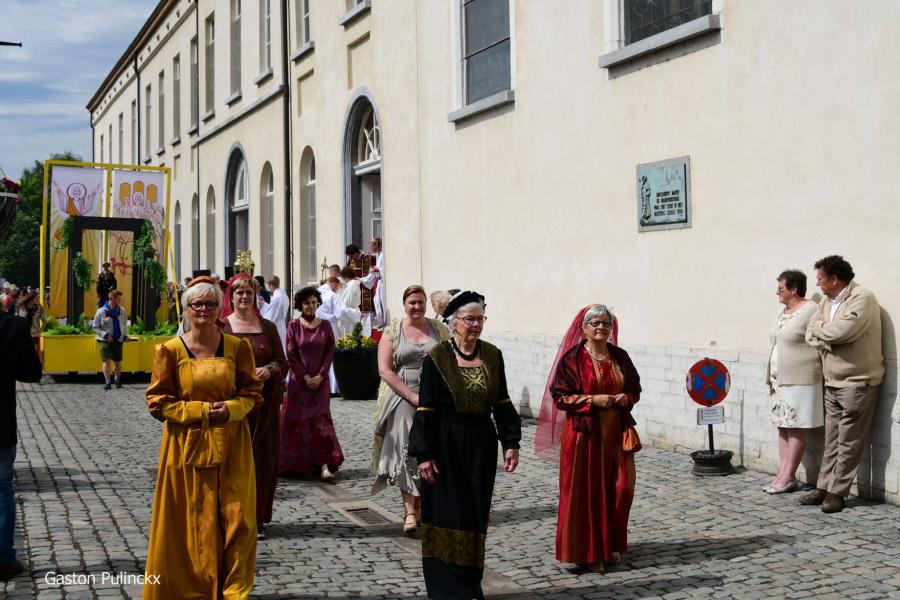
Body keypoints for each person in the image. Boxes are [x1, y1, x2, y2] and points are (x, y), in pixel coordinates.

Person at [143, 277, 263, 599]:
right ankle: (194, 587)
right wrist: (201, 412)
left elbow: (252, 393)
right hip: (185, 446)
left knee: (240, 519)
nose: (205, 311)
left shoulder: (237, 348)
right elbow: (157, 402)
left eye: (211, 304)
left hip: (233, 443)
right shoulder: (169, 351)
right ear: (186, 309)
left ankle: (235, 589)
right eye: (198, 305)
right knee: (196, 519)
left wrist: (232, 409)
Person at [409, 291, 521, 599]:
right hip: (445, 445)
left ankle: (470, 584)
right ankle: (447, 588)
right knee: (448, 514)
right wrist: (425, 454)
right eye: (468, 319)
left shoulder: (492, 355)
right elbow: (426, 408)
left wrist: (510, 441)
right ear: (453, 322)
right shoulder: (437, 357)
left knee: (474, 515)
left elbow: (502, 400)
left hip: (481, 446)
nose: (475, 325)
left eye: (479, 319)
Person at [536, 304, 641, 573]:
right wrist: (593, 400)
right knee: (588, 493)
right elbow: (560, 396)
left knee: (620, 489)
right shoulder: (572, 359)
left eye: (606, 323)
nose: (601, 327)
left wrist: (625, 398)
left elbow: (634, 388)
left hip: (616, 433)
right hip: (584, 436)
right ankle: (589, 552)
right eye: (595, 323)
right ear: (584, 328)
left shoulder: (620, 356)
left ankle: (611, 544)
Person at [801, 255, 884, 513]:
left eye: (820, 279)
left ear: (834, 279)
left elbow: (843, 332)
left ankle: (838, 493)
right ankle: (824, 486)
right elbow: (809, 332)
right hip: (832, 379)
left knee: (849, 440)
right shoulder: (826, 302)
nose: (818, 285)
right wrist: (825, 333)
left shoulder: (862, 298)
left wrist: (823, 332)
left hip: (857, 380)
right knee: (832, 438)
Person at [371, 285, 449, 535]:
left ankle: (426, 505)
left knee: (435, 448)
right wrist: (412, 396)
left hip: (436, 395)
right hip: (402, 393)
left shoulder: (440, 330)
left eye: (420, 302)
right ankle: (410, 511)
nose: (416, 306)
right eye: (412, 302)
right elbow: (385, 370)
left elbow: (451, 360)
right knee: (407, 449)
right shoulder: (392, 331)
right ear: (404, 304)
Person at [222, 275, 287, 539]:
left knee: (262, 460)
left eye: (249, 293)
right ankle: (232, 515)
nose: (244, 297)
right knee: (233, 462)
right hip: (233, 405)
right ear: (232, 297)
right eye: (239, 293)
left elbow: (282, 361)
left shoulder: (268, 327)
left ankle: (257, 517)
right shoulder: (221, 327)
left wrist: (269, 370)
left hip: (265, 405)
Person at [764, 270, 823, 494]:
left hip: (800, 378)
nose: (777, 292)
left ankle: (789, 475)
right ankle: (783, 473)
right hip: (778, 379)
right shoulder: (784, 311)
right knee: (782, 425)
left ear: (794, 289)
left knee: (795, 426)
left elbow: (814, 337)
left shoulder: (810, 310)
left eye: (780, 288)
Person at [280, 286, 343, 480]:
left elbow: (330, 351)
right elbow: (291, 354)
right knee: (298, 420)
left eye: (314, 303)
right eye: (307, 303)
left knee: (321, 422)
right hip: (299, 383)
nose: (310, 306)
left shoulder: (325, 325)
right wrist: (305, 377)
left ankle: (324, 465)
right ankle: (299, 463)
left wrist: (320, 375)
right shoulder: (293, 326)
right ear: (301, 304)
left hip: (320, 383)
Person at [0, 309, 43, 580]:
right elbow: (31, 373)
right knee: (2, 489)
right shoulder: (13, 326)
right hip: (0, 424)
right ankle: (3, 559)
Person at [92, 290, 128, 390]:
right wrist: (105, 335)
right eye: (118, 298)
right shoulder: (101, 311)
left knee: (117, 362)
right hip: (105, 340)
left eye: (120, 298)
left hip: (118, 340)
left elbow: (124, 325)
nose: (120, 300)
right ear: (111, 298)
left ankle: (117, 380)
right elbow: (95, 327)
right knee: (106, 360)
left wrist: (125, 336)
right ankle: (107, 382)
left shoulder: (122, 311)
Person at [346, 244, 376, 334]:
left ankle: (367, 336)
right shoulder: (350, 261)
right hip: (354, 291)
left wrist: (361, 280)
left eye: (351, 256)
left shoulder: (369, 258)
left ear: (356, 252)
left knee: (366, 315)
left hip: (366, 290)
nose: (351, 258)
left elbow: (373, 275)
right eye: (349, 256)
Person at [360, 237, 386, 329]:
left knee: (380, 301)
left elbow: (385, 268)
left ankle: (383, 322)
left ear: (377, 245)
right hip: (379, 281)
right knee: (377, 300)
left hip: (382, 282)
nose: (371, 248)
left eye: (372, 246)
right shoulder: (378, 255)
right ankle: (380, 321)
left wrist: (376, 269)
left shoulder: (383, 255)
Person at [261, 275, 290, 351]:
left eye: (268, 285)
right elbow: (275, 309)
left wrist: (260, 320)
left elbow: (271, 315)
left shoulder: (277, 297)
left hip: (276, 325)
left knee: (277, 347)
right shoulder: (283, 295)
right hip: (281, 324)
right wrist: (264, 304)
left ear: (270, 284)